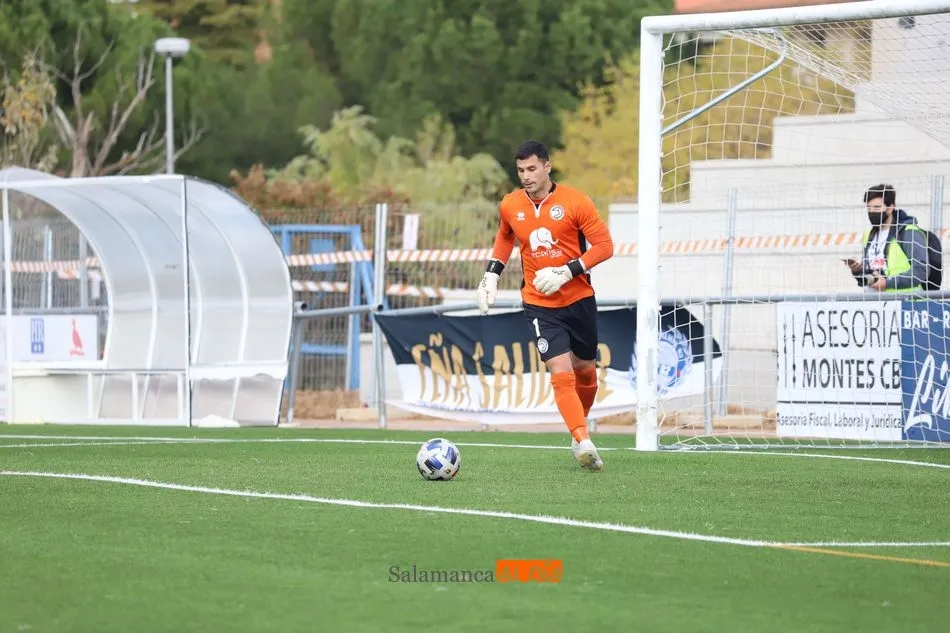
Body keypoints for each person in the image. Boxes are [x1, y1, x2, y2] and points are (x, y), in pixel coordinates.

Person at [475, 140, 615, 471]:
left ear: (547, 167)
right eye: (521, 170)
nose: (526, 176)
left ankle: (579, 431)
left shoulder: (576, 202)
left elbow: (605, 246)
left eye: (532, 169)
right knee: (560, 369)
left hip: (578, 299)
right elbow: (505, 236)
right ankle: (582, 439)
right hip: (539, 303)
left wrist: (567, 271)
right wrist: (492, 274)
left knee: (585, 371)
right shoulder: (510, 204)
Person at [845, 184, 928, 293]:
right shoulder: (869, 235)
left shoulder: (908, 232)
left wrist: (887, 283)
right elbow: (868, 274)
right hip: (874, 300)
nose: (872, 212)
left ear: (891, 208)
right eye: (869, 208)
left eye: (877, 207)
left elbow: (920, 271)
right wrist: (857, 270)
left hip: (905, 301)